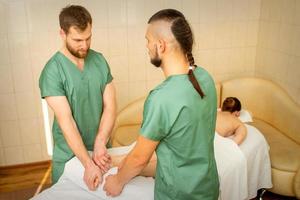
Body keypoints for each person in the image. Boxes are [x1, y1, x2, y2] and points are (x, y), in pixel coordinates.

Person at [103, 9, 219, 200]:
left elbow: (140, 159)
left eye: (148, 40)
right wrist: (121, 162)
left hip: (179, 195)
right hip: (209, 189)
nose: (147, 46)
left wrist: (117, 181)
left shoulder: (161, 98)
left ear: (161, 45)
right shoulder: (205, 77)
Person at [39, 5, 116, 190]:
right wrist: (88, 164)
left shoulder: (99, 61)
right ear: (62, 34)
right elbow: (67, 122)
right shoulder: (52, 71)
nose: (85, 45)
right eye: (78, 40)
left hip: (102, 150)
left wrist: (100, 143)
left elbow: (110, 106)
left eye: (88, 38)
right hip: (70, 156)